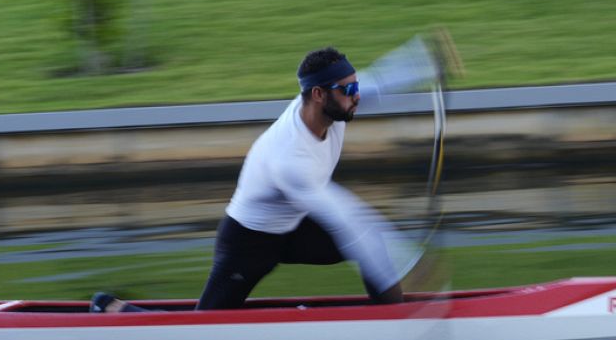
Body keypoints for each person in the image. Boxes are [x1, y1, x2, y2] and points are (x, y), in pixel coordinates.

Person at [92, 35, 454, 314]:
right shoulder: (291, 158)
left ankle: (395, 318)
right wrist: (412, 261)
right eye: (350, 90)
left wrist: (426, 62)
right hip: (249, 241)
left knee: (371, 246)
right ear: (317, 95)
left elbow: (382, 81)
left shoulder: (334, 105)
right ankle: (115, 309)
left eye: (355, 87)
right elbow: (347, 216)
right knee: (205, 327)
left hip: (294, 227)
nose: (358, 96)